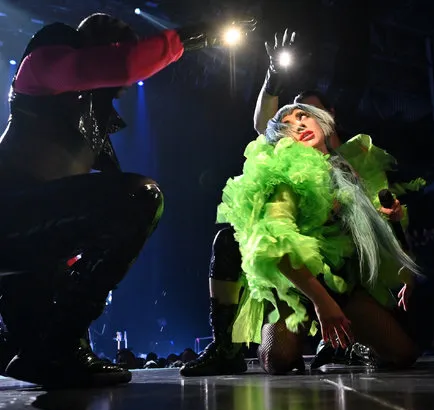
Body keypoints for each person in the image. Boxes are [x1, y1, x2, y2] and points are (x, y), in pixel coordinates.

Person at [0, 13, 250, 388]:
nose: (126, 87)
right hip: (9, 217)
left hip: (35, 247)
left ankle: (48, 346)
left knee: (37, 356)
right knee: (139, 197)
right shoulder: (41, 66)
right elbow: (125, 64)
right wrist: (196, 34)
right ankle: (59, 341)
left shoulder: (94, 126)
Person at [203, 103, 421, 375]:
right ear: (282, 140)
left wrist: (399, 251)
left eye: (303, 116)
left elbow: (367, 240)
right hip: (298, 286)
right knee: (278, 359)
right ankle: (258, 345)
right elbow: (276, 244)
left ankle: (348, 346)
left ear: (322, 122)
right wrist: (321, 302)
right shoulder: (284, 172)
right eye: (287, 125)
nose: (299, 124)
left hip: (343, 284)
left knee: (403, 354)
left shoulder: (347, 171)